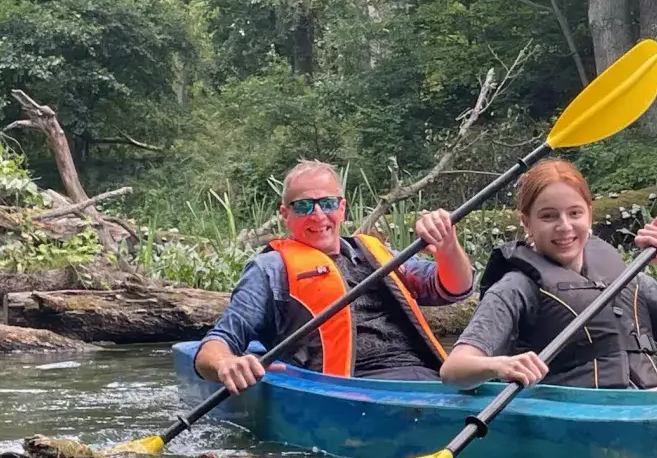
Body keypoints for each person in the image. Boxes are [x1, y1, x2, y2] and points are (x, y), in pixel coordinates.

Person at [440, 159, 657, 391]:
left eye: (574, 213)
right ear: (526, 223)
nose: (564, 226)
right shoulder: (516, 287)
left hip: (644, 405)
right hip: (584, 412)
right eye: (548, 216)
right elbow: (454, 370)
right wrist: (501, 365)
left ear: (589, 214)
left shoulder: (623, 278)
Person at [196, 159, 474, 393]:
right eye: (303, 206)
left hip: (428, 382)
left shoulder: (377, 254)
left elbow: (456, 289)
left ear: (342, 208)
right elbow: (216, 343)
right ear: (285, 214)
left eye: (327, 203)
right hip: (350, 391)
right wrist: (225, 364)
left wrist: (448, 246)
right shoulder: (269, 269)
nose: (318, 215)